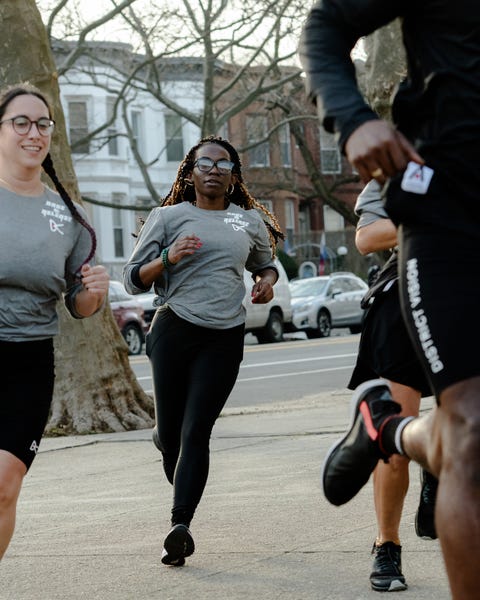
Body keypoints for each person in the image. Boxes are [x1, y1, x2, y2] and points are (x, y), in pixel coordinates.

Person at [299, 3, 480, 598]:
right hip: (448, 208)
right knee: (471, 436)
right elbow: (325, 27)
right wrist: (351, 121)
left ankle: (386, 428)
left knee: (459, 437)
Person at [123, 135, 283, 566]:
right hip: (173, 330)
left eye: (224, 164)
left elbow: (265, 263)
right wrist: (169, 258)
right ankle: (163, 437)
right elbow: (132, 279)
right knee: (173, 434)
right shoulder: (167, 217)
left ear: (233, 178)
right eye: (205, 163)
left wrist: (266, 282)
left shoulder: (247, 221)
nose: (214, 169)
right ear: (190, 173)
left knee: (197, 430)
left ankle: (180, 526)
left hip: (224, 336)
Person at [0, 83, 109, 560]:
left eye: (42, 124)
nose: (33, 132)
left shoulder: (69, 216)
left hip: (28, 360)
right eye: (20, 122)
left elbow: (79, 305)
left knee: (5, 484)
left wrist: (94, 293)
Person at [348, 180, 437, 592]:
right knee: (396, 441)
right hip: (407, 301)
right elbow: (368, 237)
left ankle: (437, 461)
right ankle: (387, 544)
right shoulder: (395, 167)